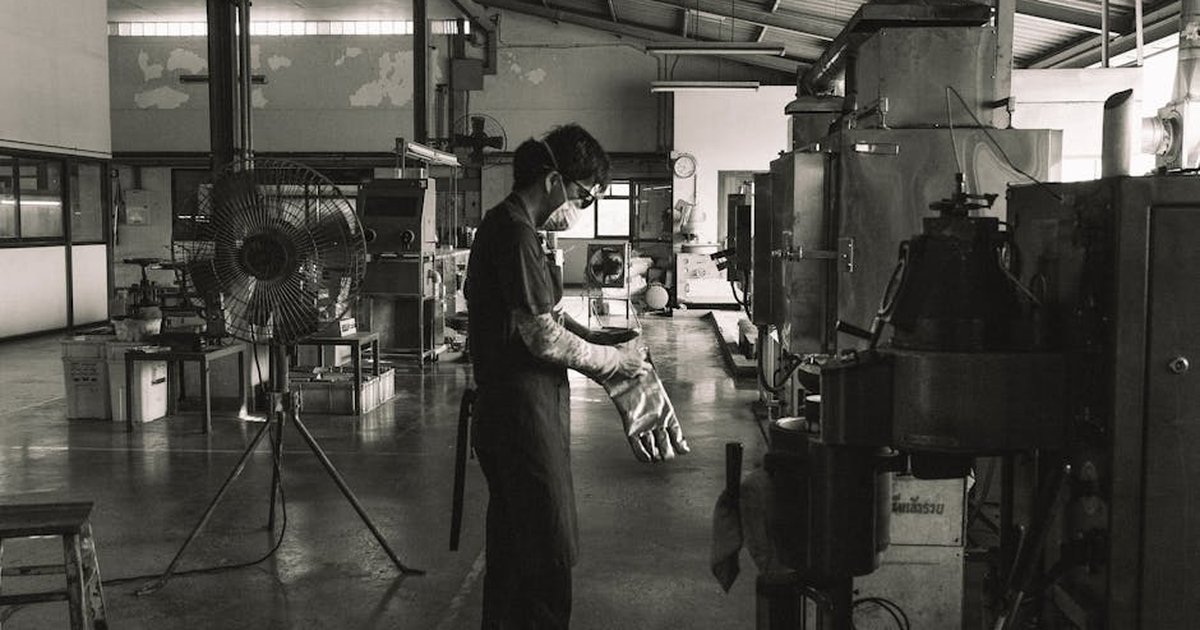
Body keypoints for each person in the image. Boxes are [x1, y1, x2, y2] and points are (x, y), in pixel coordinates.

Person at [465, 123, 650, 629]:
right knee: (546, 549)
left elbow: (544, 315)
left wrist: (599, 340)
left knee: (512, 545)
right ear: (552, 181)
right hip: (519, 416)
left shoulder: (515, 228)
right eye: (583, 196)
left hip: (524, 409)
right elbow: (541, 337)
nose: (580, 208)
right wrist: (615, 365)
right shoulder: (514, 233)